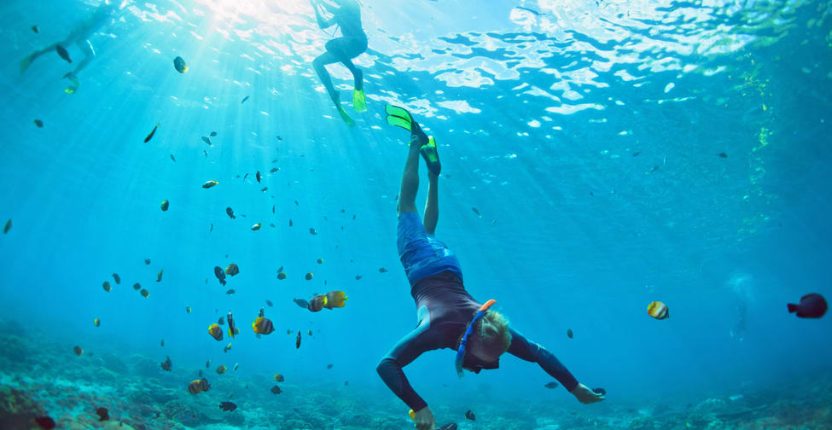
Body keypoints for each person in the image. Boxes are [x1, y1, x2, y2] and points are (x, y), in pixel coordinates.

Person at [377, 106, 605, 430]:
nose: (486, 368)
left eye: (493, 362)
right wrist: (420, 407)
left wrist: (576, 387)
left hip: (448, 263)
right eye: (485, 362)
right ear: (470, 343)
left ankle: (434, 174)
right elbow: (386, 365)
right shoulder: (439, 330)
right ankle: (415, 142)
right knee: (406, 207)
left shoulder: (491, 331)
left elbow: (539, 354)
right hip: (422, 265)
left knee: (427, 233)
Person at [20, 0, 121, 94]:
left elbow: (109, 29)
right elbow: (107, 23)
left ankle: (73, 74)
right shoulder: (107, 9)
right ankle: (37, 54)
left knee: (90, 55)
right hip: (81, 29)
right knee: (66, 44)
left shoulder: (111, 13)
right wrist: (113, 20)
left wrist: (113, 22)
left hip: (84, 35)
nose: (120, 5)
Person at [310, 0, 368, 126]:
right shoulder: (339, 13)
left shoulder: (353, 5)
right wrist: (316, 7)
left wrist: (321, 2)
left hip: (357, 41)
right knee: (317, 62)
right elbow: (323, 25)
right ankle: (332, 92)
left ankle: (355, 72)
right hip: (346, 48)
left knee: (330, 45)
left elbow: (336, 8)